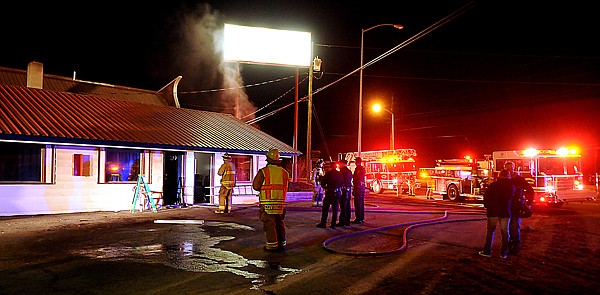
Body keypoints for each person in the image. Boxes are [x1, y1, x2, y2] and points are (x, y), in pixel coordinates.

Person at [252, 148, 290, 252]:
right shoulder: (285, 173)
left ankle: (272, 246)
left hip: (267, 203)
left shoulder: (264, 171)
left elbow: (256, 186)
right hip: (280, 203)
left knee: (269, 224)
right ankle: (282, 244)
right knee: (279, 223)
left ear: (268, 159)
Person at [479, 169, 515, 259]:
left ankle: (487, 251)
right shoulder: (512, 187)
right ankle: (504, 252)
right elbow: (514, 200)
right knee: (505, 232)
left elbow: (486, 197)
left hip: (493, 212)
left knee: (490, 231)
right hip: (505, 212)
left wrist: (487, 206)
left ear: (499, 176)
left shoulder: (493, 185)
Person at [504, 161, 535, 255]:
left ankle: (515, 244)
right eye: (507, 168)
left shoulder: (519, 179)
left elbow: (530, 190)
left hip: (515, 205)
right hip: (506, 206)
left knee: (514, 225)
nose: (509, 170)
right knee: (506, 226)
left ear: (514, 168)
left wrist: (529, 203)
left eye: (511, 168)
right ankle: (508, 244)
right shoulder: (504, 180)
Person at [316, 162, 343, 229]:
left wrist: (326, 188)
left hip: (329, 193)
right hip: (337, 193)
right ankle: (333, 224)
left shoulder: (328, 173)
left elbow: (323, 183)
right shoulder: (339, 174)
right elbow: (342, 183)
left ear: (331, 166)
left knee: (325, 208)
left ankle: (323, 223)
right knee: (335, 209)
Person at [337, 159, 353, 227]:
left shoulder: (343, 171)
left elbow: (340, 181)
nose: (339, 165)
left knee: (343, 206)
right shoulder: (349, 171)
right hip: (348, 190)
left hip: (344, 191)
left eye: (340, 164)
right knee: (347, 206)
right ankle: (347, 221)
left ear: (343, 164)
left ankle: (342, 222)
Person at [352, 157, 366, 224]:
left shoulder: (358, 169)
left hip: (358, 188)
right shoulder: (362, 168)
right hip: (361, 188)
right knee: (361, 203)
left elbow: (357, 178)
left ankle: (358, 219)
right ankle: (361, 218)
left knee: (358, 204)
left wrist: (355, 187)